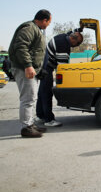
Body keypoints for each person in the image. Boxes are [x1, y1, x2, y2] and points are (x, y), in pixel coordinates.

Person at [8, 9, 52, 138]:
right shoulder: (29, 28)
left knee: (32, 98)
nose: (48, 24)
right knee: (27, 99)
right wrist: (28, 66)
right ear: (44, 20)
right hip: (24, 69)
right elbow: (21, 46)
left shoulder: (35, 29)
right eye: (49, 22)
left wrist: (39, 68)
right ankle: (26, 128)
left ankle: (30, 124)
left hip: (31, 69)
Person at [36, 29, 84, 127]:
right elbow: (62, 68)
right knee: (47, 93)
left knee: (42, 92)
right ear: (73, 40)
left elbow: (71, 32)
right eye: (77, 44)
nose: (76, 46)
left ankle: (40, 116)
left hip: (43, 64)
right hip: (47, 68)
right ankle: (49, 120)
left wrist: (79, 29)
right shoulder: (63, 46)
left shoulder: (63, 36)